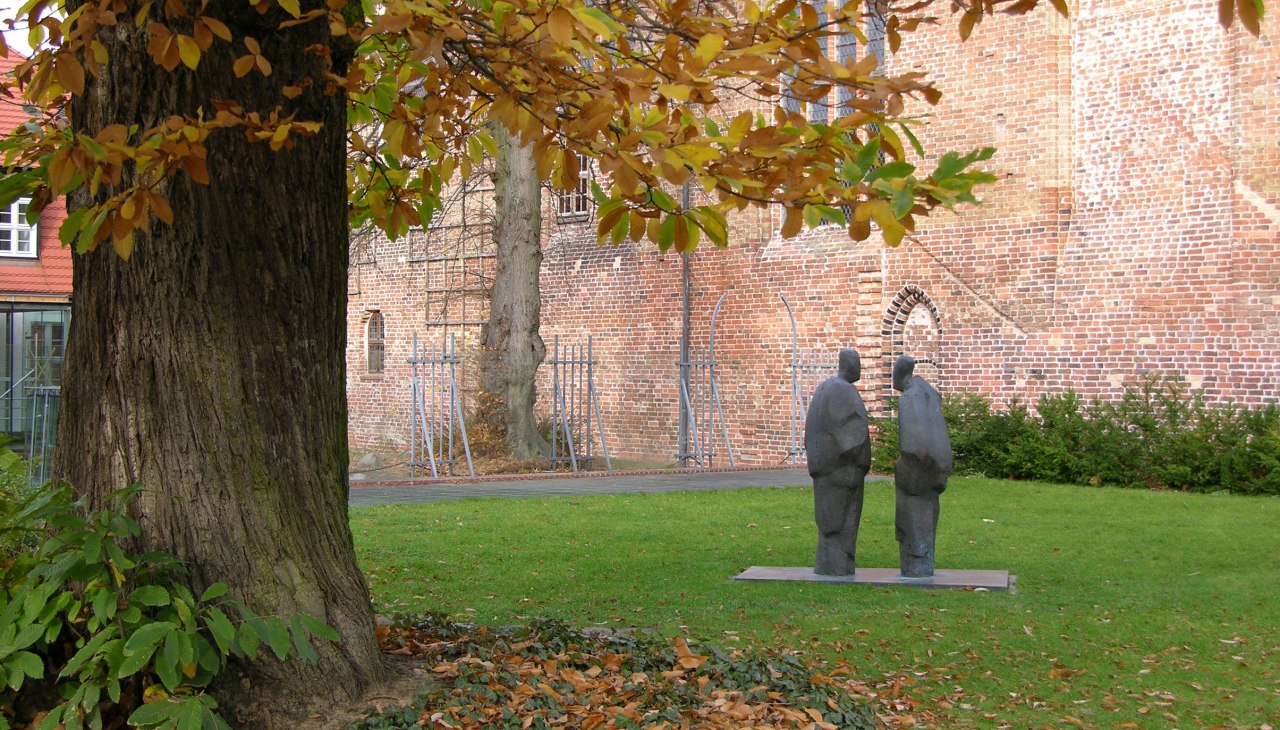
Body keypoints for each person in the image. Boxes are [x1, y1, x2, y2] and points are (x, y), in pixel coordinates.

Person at [804, 348, 871, 575]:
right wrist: (860, 460)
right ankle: (836, 568)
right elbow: (852, 436)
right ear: (848, 365)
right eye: (857, 363)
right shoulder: (842, 390)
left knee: (832, 523)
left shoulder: (826, 388)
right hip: (841, 471)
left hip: (829, 469)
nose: (860, 368)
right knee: (839, 523)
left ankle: (831, 566)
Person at [893, 354, 953, 577]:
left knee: (913, 524)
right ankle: (921, 563)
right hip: (932, 473)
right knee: (926, 520)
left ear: (899, 373)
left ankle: (916, 566)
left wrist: (903, 466)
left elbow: (912, 446)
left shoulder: (909, 398)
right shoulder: (928, 394)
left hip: (916, 477)